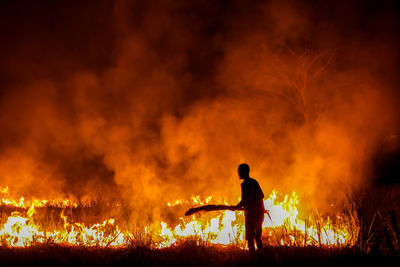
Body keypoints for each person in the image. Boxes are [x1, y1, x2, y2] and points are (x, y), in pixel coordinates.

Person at [231, 163, 265, 253]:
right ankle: (261, 254)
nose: (238, 173)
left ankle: (252, 255)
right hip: (259, 212)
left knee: (250, 236)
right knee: (257, 236)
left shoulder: (244, 184)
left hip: (251, 214)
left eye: (239, 171)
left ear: (242, 172)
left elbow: (243, 201)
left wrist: (234, 207)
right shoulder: (254, 181)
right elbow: (262, 196)